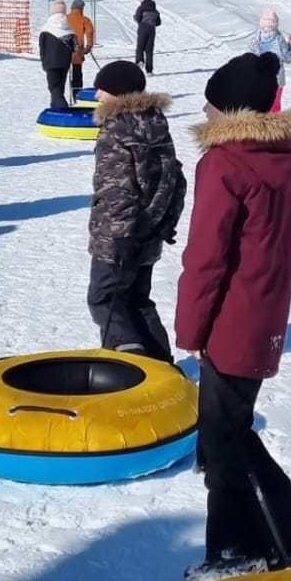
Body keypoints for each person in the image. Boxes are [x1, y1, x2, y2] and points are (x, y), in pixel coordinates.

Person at [175, 50, 291, 581]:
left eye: (212, 104)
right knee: (232, 431)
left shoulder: (225, 163)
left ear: (229, 110)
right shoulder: (279, 160)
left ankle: (236, 551)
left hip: (232, 321)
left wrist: (191, 329)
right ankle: (286, 540)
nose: (205, 113)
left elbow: (207, 257)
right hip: (264, 318)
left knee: (222, 439)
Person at [87, 60, 185, 362]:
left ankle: (131, 363)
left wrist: (120, 241)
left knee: (105, 300)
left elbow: (118, 191)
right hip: (149, 234)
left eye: (102, 89)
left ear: (117, 93)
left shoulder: (115, 129)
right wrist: (164, 224)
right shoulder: (156, 123)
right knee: (138, 300)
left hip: (119, 239)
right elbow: (175, 180)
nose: (97, 96)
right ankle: (162, 365)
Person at [248, 9, 291, 113]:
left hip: (259, 77)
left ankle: (260, 127)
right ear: (276, 24)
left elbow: (252, 51)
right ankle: (273, 127)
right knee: (274, 105)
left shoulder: (257, 37)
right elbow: (287, 58)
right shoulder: (279, 39)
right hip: (276, 78)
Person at [38, 0, 77, 111]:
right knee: (60, 87)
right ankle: (55, 107)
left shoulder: (46, 28)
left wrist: (43, 62)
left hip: (50, 62)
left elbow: (42, 47)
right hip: (65, 63)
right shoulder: (69, 28)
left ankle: (60, 109)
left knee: (54, 87)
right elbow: (75, 47)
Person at [66, 0, 95, 98]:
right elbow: (89, 32)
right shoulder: (85, 20)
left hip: (63, 49)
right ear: (81, 8)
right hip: (77, 50)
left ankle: (59, 94)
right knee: (77, 73)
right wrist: (89, 45)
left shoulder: (64, 18)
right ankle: (76, 94)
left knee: (62, 73)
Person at [133, 0, 161, 75]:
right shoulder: (155, 10)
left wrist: (135, 18)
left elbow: (138, 18)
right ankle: (149, 70)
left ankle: (140, 61)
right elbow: (158, 22)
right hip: (151, 30)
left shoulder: (141, 8)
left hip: (142, 28)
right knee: (149, 50)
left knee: (140, 47)